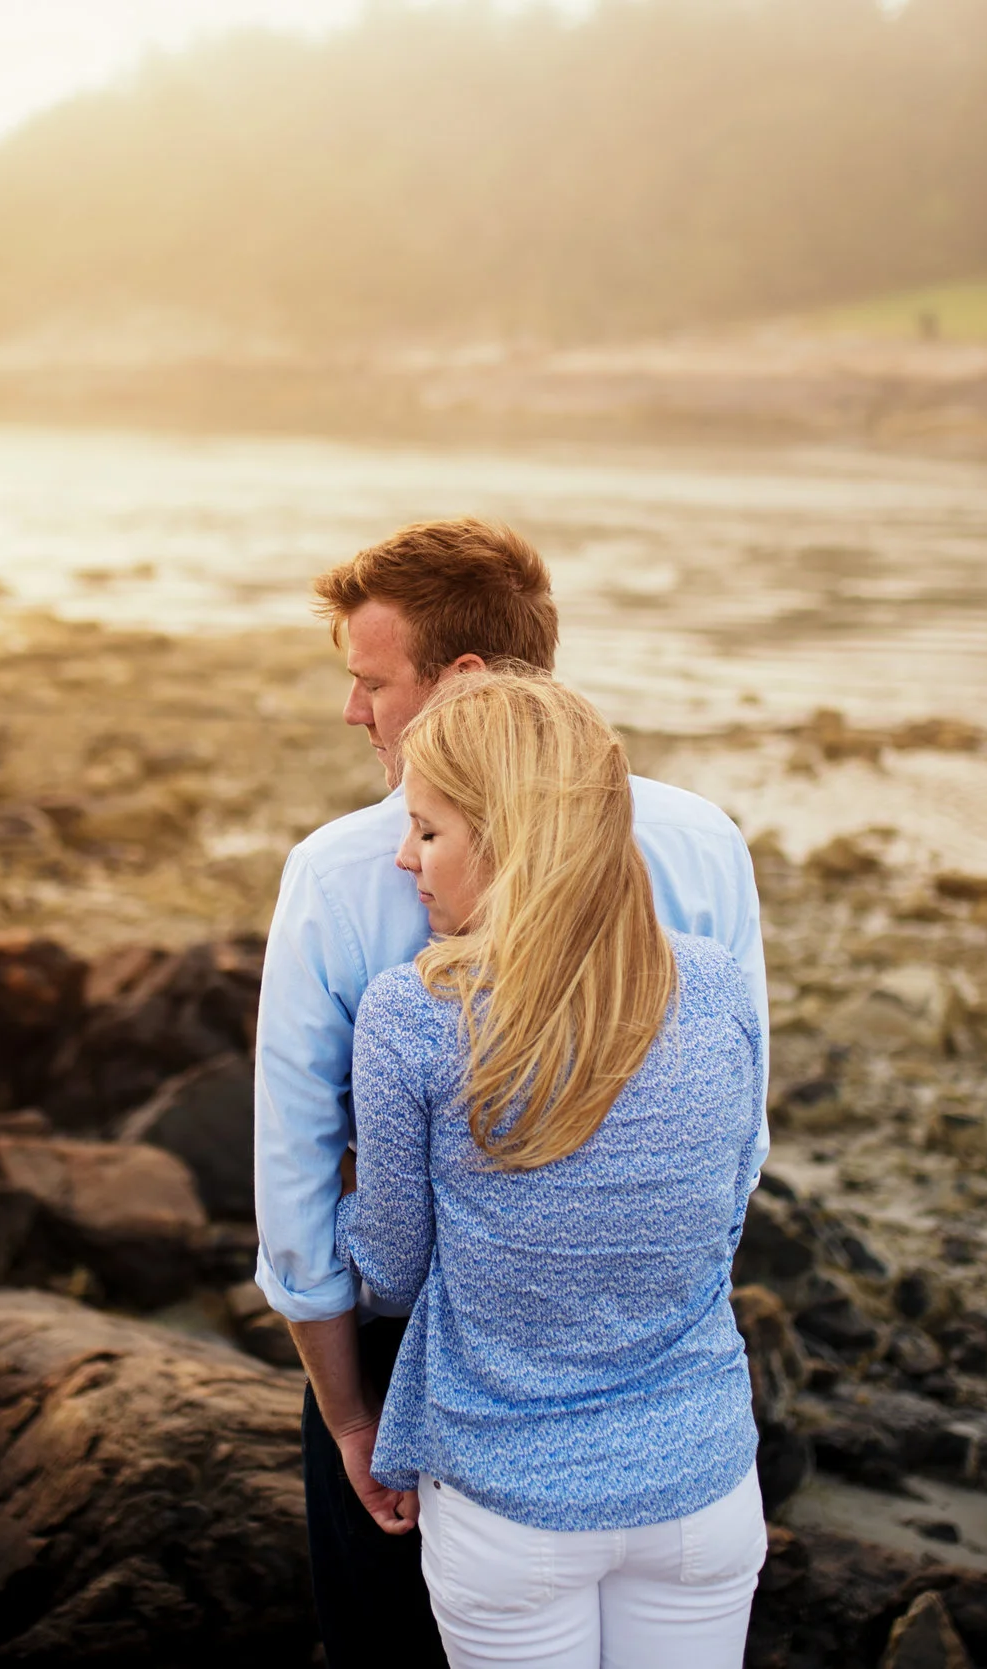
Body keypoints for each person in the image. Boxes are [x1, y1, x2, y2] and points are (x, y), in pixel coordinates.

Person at [252, 518, 767, 1667]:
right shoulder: (703, 845)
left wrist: (349, 1413)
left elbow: (300, 1193)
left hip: (436, 1388)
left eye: (371, 681)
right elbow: (740, 1148)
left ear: (462, 684)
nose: (352, 711)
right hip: (674, 1385)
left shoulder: (342, 880)